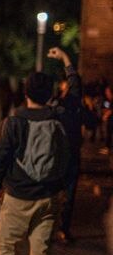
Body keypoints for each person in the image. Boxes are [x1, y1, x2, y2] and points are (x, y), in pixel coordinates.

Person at [0, 72, 70, 255]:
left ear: (25, 93)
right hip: (48, 197)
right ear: (50, 94)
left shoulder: (14, 122)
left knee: (6, 247)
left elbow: (1, 156)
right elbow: (66, 156)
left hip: (18, 196)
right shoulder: (58, 121)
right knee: (41, 253)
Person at [46, 47, 83, 244]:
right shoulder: (65, 103)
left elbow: (74, 82)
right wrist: (65, 58)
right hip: (66, 154)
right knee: (64, 195)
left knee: (54, 194)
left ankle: (55, 228)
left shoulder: (57, 105)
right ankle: (61, 229)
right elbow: (75, 82)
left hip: (58, 155)